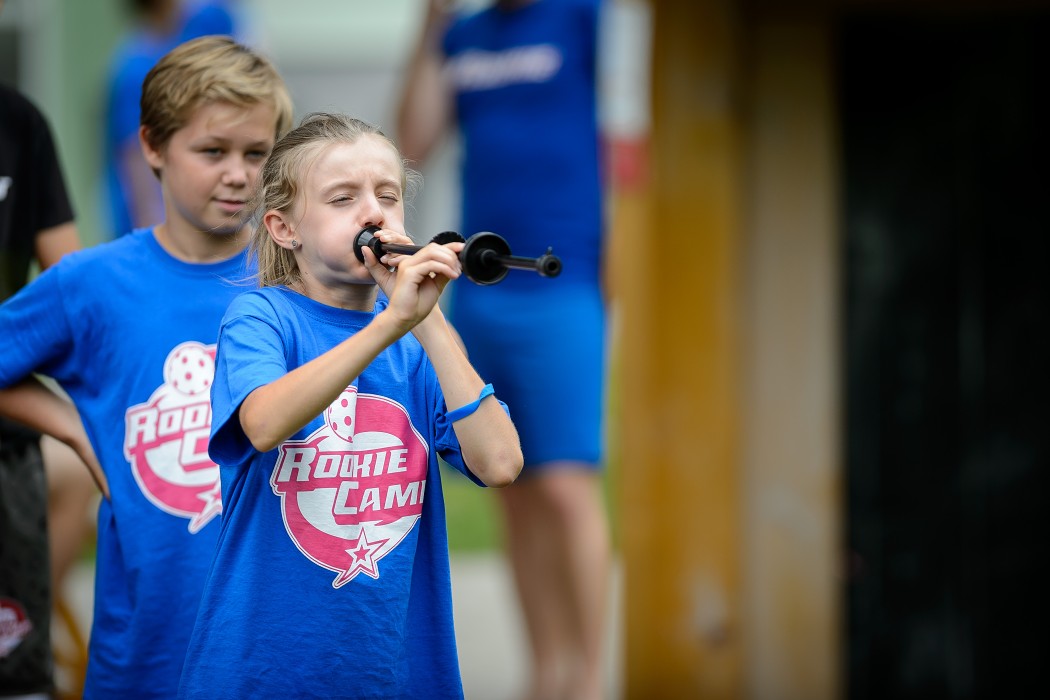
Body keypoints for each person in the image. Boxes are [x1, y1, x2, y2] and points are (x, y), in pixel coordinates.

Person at [176, 112, 523, 699]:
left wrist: (428, 322)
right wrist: (390, 325)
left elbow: (500, 463)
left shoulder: (417, 343)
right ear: (285, 228)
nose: (374, 212)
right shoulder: (263, 319)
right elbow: (261, 423)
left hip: (397, 675)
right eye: (343, 198)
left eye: (387, 195)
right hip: (259, 674)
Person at [0, 35, 293, 698]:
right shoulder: (94, 285)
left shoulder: (299, 282)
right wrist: (68, 422)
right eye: (213, 151)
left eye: (258, 152)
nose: (240, 174)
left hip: (278, 649)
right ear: (153, 147)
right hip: (146, 656)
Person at [397, 1, 612, 698]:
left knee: (566, 486)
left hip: (565, 280)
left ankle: (585, 678)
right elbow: (411, 143)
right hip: (481, 287)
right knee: (511, 488)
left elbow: (629, 128)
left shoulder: (584, 16)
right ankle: (544, 671)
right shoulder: (463, 35)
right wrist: (430, 24)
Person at [0, 70, 91, 700]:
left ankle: (21, 626)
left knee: (86, 461)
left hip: (7, 385)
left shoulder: (18, 121)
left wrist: (79, 422)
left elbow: (74, 293)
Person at [104, 0, 242, 237]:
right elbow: (137, 162)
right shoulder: (134, 70)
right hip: (157, 221)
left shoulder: (205, 21)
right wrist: (155, 231)